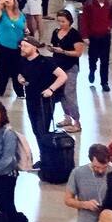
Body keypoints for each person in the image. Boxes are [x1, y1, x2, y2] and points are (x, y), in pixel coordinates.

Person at [17, 35, 68, 175]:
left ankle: (47, 158)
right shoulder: (23, 61)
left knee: (42, 130)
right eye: (21, 46)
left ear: (34, 47)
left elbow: (62, 76)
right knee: (35, 129)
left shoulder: (45, 61)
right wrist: (21, 78)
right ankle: (43, 157)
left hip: (44, 101)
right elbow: (20, 74)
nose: (22, 48)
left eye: (25, 46)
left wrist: (51, 89)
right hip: (31, 99)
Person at [50, 8, 85, 135]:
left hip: (70, 67)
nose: (61, 24)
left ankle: (77, 121)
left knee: (69, 94)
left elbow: (78, 53)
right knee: (61, 93)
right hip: (58, 67)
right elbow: (54, 46)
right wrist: (53, 50)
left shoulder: (74, 34)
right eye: (59, 21)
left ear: (69, 21)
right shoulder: (56, 32)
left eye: (63, 21)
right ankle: (67, 117)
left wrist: (63, 51)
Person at [0, 0, 25, 99]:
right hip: (2, 45)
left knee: (17, 69)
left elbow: (24, 27)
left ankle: (20, 92)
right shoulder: (2, 14)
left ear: (15, 1)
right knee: (3, 69)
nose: (8, 0)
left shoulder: (21, 15)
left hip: (17, 46)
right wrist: (2, 1)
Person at [81, 0, 112, 93]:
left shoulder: (109, 4)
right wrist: (84, 36)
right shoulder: (89, 4)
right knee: (93, 57)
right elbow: (84, 20)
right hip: (93, 36)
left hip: (105, 35)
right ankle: (92, 70)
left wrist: (109, 26)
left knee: (105, 60)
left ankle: (104, 82)